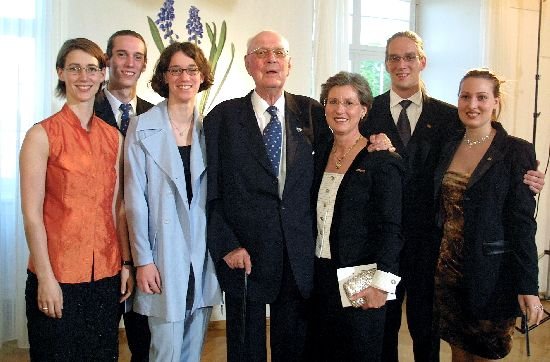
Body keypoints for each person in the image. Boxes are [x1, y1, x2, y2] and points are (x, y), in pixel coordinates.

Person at [361, 30, 546, 362]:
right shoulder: (365, 112)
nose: (402, 64)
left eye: (409, 57)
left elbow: (489, 164)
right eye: (394, 57)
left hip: (431, 250)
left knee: (427, 331)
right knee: (379, 326)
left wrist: (526, 179)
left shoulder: (449, 117)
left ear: (423, 62)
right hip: (380, 244)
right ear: (386, 63)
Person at [204, 30, 330, 362]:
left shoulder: (313, 113)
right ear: (248, 64)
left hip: (298, 253)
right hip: (244, 255)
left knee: (295, 347)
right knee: (246, 349)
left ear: (289, 64)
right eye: (261, 52)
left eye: (278, 52)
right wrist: (227, 244)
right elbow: (211, 191)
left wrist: (377, 143)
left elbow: (338, 164)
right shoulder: (223, 118)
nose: (270, 59)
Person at [20, 37, 133, 360]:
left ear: (102, 75)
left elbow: (118, 208)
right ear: (60, 73)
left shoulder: (114, 137)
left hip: (106, 276)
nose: (84, 77)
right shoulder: (40, 135)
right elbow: (31, 215)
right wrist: (45, 278)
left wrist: (125, 263)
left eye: (91, 69)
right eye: (74, 68)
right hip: (58, 274)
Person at [432, 68, 544, 361]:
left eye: (482, 97)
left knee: (485, 355)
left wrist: (528, 286)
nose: (472, 105)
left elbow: (522, 224)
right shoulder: (447, 144)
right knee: (457, 354)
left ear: (496, 102)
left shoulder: (516, 151)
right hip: (448, 274)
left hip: (492, 276)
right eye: (465, 97)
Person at [124, 41, 221, 362]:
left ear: (202, 75)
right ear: (164, 76)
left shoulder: (212, 130)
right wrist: (143, 260)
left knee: (193, 349)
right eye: (176, 69)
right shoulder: (142, 126)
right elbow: (134, 200)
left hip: (202, 255)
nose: (184, 77)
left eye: (192, 69)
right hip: (162, 256)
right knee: (164, 351)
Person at [307, 71, 404, 361]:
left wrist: (381, 284)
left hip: (362, 275)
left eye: (349, 102)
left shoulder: (381, 160)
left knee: (359, 351)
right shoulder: (319, 151)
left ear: (363, 109)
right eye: (333, 101)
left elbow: (392, 228)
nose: (340, 109)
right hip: (319, 273)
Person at [94, 29, 154, 362]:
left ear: (144, 64)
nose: (129, 63)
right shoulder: (87, 110)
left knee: (144, 343)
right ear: (107, 59)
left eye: (138, 56)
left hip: (145, 245)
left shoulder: (154, 114)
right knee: (101, 341)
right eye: (122, 54)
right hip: (99, 246)